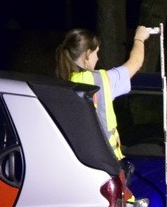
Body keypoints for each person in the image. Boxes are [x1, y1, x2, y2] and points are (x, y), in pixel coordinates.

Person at [55, 25, 151, 159]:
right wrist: (139, 38)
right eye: (96, 53)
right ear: (88, 54)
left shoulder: (61, 84)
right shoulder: (100, 80)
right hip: (107, 163)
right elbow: (135, 62)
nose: (98, 59)